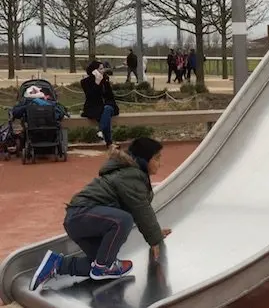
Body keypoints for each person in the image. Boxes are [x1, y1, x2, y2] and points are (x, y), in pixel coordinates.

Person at [28, 138, 171, 291]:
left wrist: (155, 232)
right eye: (156, 158)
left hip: (85, 221)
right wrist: (154, 238)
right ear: (143, 160)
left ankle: (57, 265)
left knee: (96, 264)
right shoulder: (130, 175)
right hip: (82, 214)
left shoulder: (132, 175)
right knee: (122, 221)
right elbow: (141, 209)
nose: (159, 163)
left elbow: (139, 207)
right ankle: (104, 266)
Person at [81, 61, 120, 147]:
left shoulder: (105, 79)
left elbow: (110, 96)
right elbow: (91, 96)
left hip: (108, 105)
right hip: (93, 106)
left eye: (103, 68)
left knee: (107, 109)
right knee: (104, 114)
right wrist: (97, 82)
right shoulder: (85, 82)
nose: (103, 70)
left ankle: (101, 130)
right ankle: (109, 143)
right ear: (94, 71)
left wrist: (104, 82)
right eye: (101, 69)